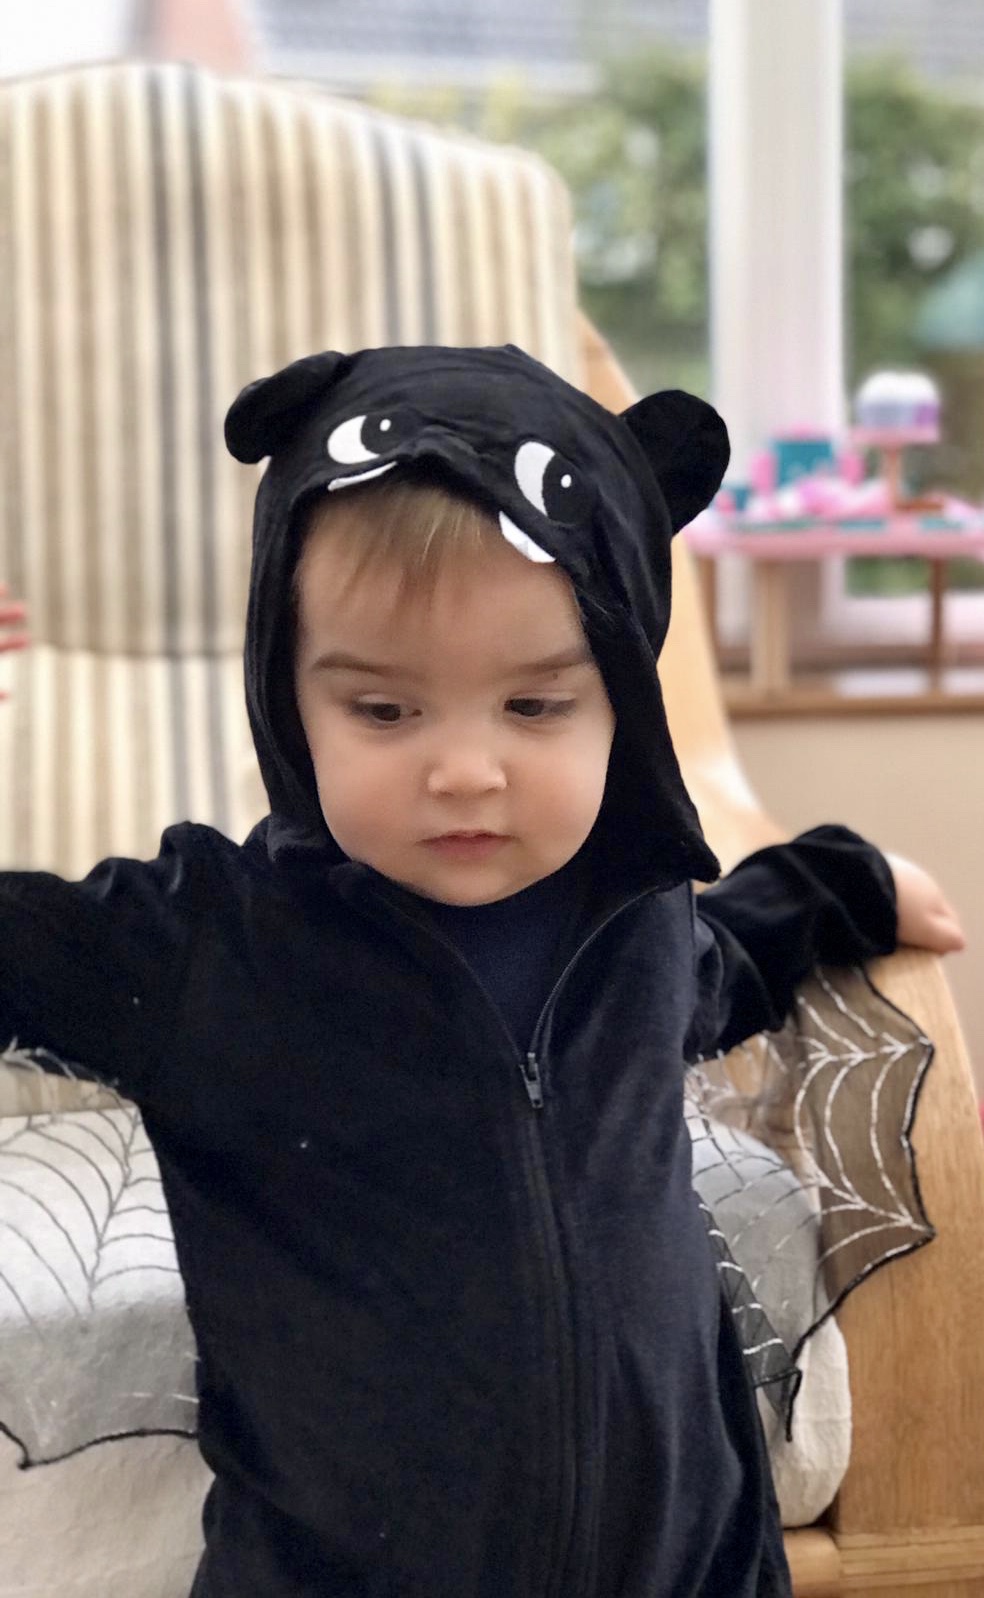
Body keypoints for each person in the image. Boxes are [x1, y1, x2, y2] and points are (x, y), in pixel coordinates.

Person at [0, 344, 963, 1598]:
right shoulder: (213, 945)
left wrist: (844, 882)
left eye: (535, 706)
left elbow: (725, 961)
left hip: (685, 1563)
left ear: (621, 701)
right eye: (384, 712)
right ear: (288, 698)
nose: (464, 770)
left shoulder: (635, 914)